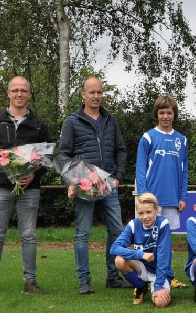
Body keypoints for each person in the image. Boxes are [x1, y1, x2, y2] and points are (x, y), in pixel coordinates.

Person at [0, 76, 50, 297]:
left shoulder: (39, 125)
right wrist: (3, 169)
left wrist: (32, 174)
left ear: (29, 94)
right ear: (8, 93)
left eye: (23, 90)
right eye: (15, 90)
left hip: (29, 189)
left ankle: (30, 281)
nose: (19, 94)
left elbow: (46, 158)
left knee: (29, 235)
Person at [58, 76, 130, 295]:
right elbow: (63, 156)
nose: (96, 96)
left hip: (108, 185)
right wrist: (71, 181)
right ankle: (84, 281)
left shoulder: (110, 120)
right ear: (83, 95)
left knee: (117, 231)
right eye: (92, 92)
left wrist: (118, 176)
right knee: (83, 234)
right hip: (84, 186)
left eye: (99, 92)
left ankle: (113, 277)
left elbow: (120, 150)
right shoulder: (71, 121)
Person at [135, 94, 190, 290]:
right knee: (146, 240)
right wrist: (143, 198)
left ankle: (168, 276)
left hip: (172, 199)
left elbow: (184, 170)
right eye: (161, 113)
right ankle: (142, 279)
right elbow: (140, 168)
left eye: (169, 113)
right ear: (156, 114)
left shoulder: (181, 140)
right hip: (151, 200)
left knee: (165, 242)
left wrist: (183, 197)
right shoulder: (148, 137)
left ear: (174, 114)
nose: (165, 116)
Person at [109, 193, 173, 307]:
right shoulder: (133, 224)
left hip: (159, 272)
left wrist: (158, 285)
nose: (145, 217)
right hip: (141, 268)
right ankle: (141, 287)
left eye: (149, 212)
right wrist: (140, 254)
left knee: (161, 303)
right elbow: (114, 248)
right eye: (141, 213)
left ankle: (157, 286)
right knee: (119, 260)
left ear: (156, 210)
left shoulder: (163, 224)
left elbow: (164, 257)